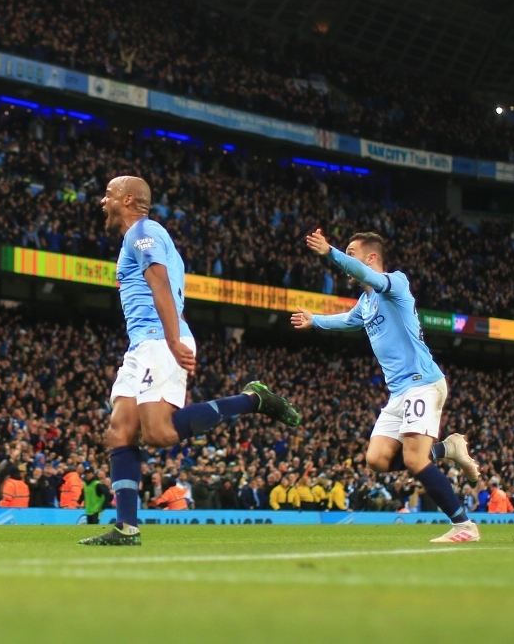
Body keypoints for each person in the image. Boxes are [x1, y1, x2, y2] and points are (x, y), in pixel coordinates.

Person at [81, 176, 299, 546]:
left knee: (159, 433)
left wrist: (169, 337)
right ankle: (126, 528)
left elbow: (160, 283)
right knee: (119, 430)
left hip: (160, 339)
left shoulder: (143, 231)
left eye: (109, 195)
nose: (103, 201)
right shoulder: (136, 236)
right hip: (139, 345)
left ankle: (253, 400)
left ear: (129, 199)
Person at [293, 229, 481, 543]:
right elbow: (347, 321)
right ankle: (448, 448)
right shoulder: (366, 302)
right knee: (376, 460)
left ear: (371, 258)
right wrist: (316, 320)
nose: (347, 260)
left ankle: (464, 526)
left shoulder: (395, 283)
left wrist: (330, 252)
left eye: (351, 253)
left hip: (423, 383)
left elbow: (365, 275)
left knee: (413, 459)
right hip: (399, 393)